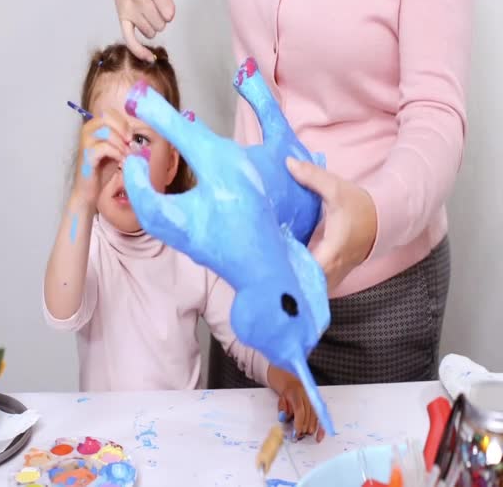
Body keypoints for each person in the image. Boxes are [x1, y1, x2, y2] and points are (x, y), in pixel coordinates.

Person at [107, 0, 474, 385]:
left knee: (364, 446)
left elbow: (435, 114)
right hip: (250, 276)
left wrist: (373, 218)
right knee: (239, 448)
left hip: (375, 296)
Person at [43, 43, 324, 440]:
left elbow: (249, 342)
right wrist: (80, 197)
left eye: (140, 140)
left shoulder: (194, 246)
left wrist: (289, 381)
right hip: (105, 446)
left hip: (183, 444)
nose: (124, 162)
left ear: (172, 163)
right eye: (106, 141)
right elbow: (61, 311)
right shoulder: (88, 242)